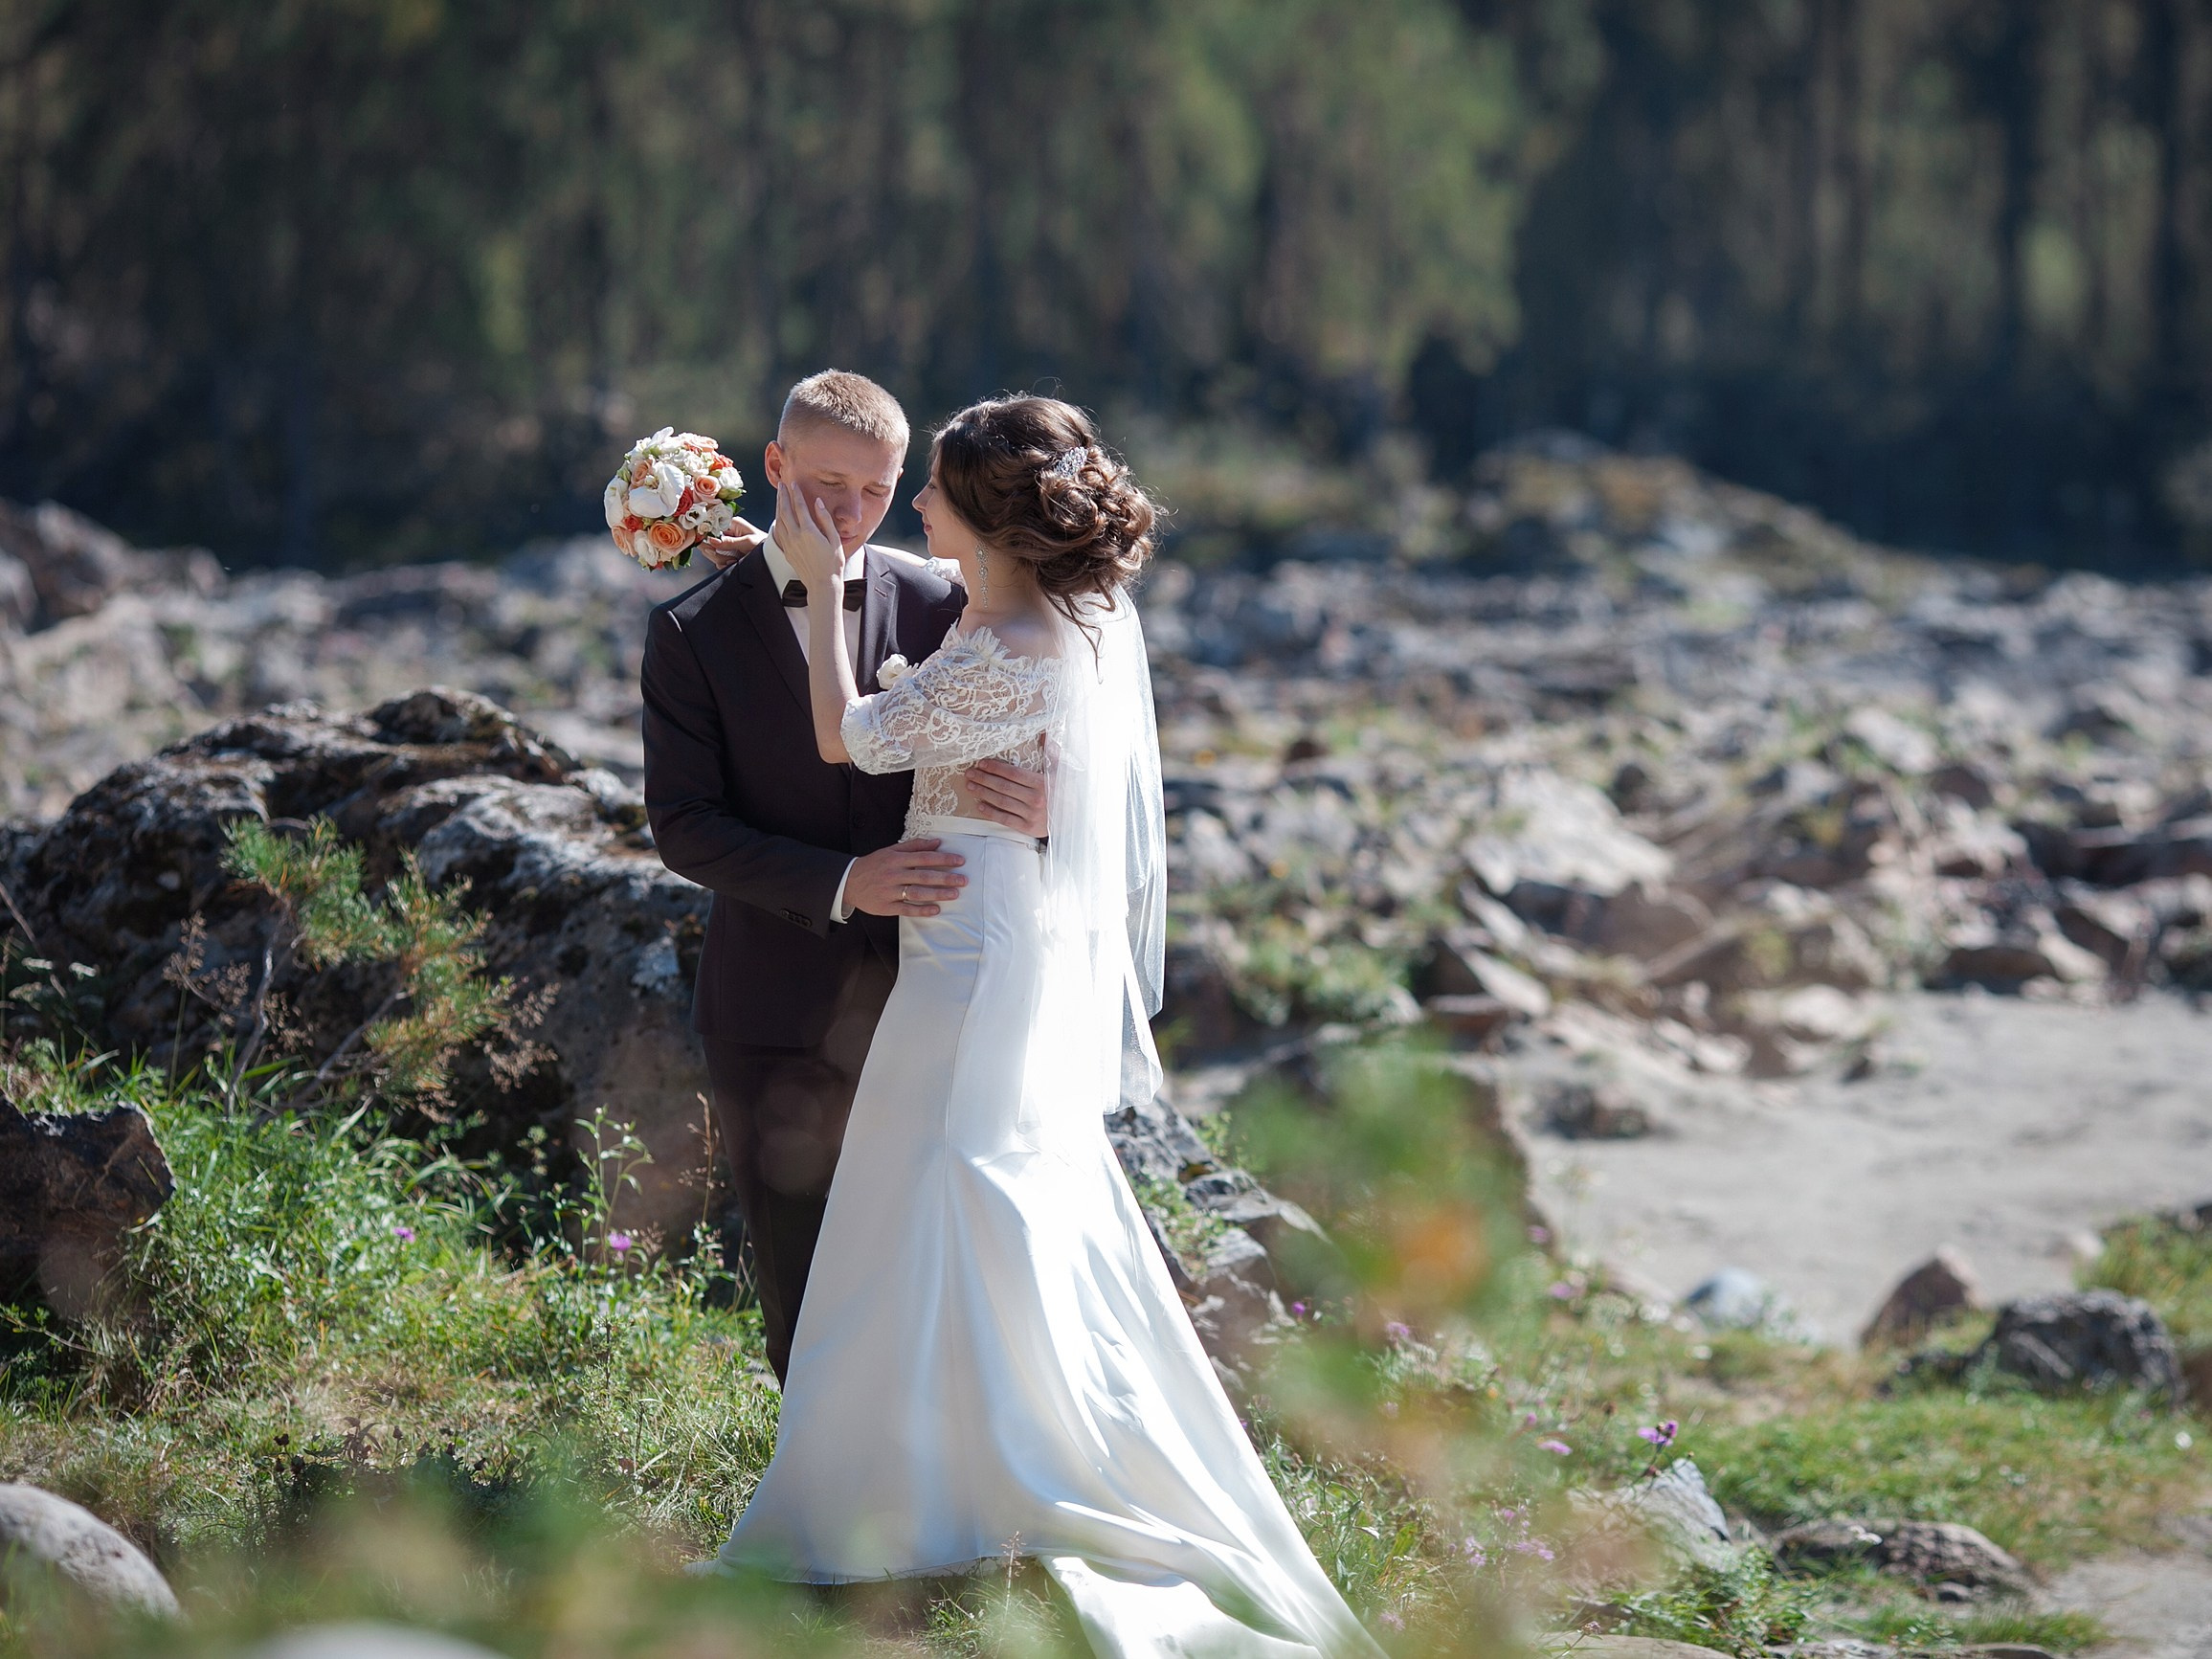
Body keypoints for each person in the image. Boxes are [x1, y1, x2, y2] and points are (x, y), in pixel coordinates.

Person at [710, 395, 1383, 1658]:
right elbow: (983, 729)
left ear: (983, 512)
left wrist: (822, 585)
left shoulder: (1010, 637)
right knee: (948, 1183)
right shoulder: (1047, 621)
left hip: (970, 950)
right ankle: (947, 1475)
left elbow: (847, 736)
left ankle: (960, 1484)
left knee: (951, 1177)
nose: (913, 508)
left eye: (932, 493)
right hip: (983, 920)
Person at [640, 370, 1049, 1384]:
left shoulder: (948, 597)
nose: (852, 513)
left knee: (938, 1268)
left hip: (938, 996)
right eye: (827, 484)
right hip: (774, 1005)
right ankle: (814, 1512)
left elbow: (1054, 722)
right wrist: (842, 880)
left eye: (876, 490)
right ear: (773, 466)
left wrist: (1057, 807)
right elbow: (683, 828)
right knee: (802, 1282)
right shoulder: (691, 632)